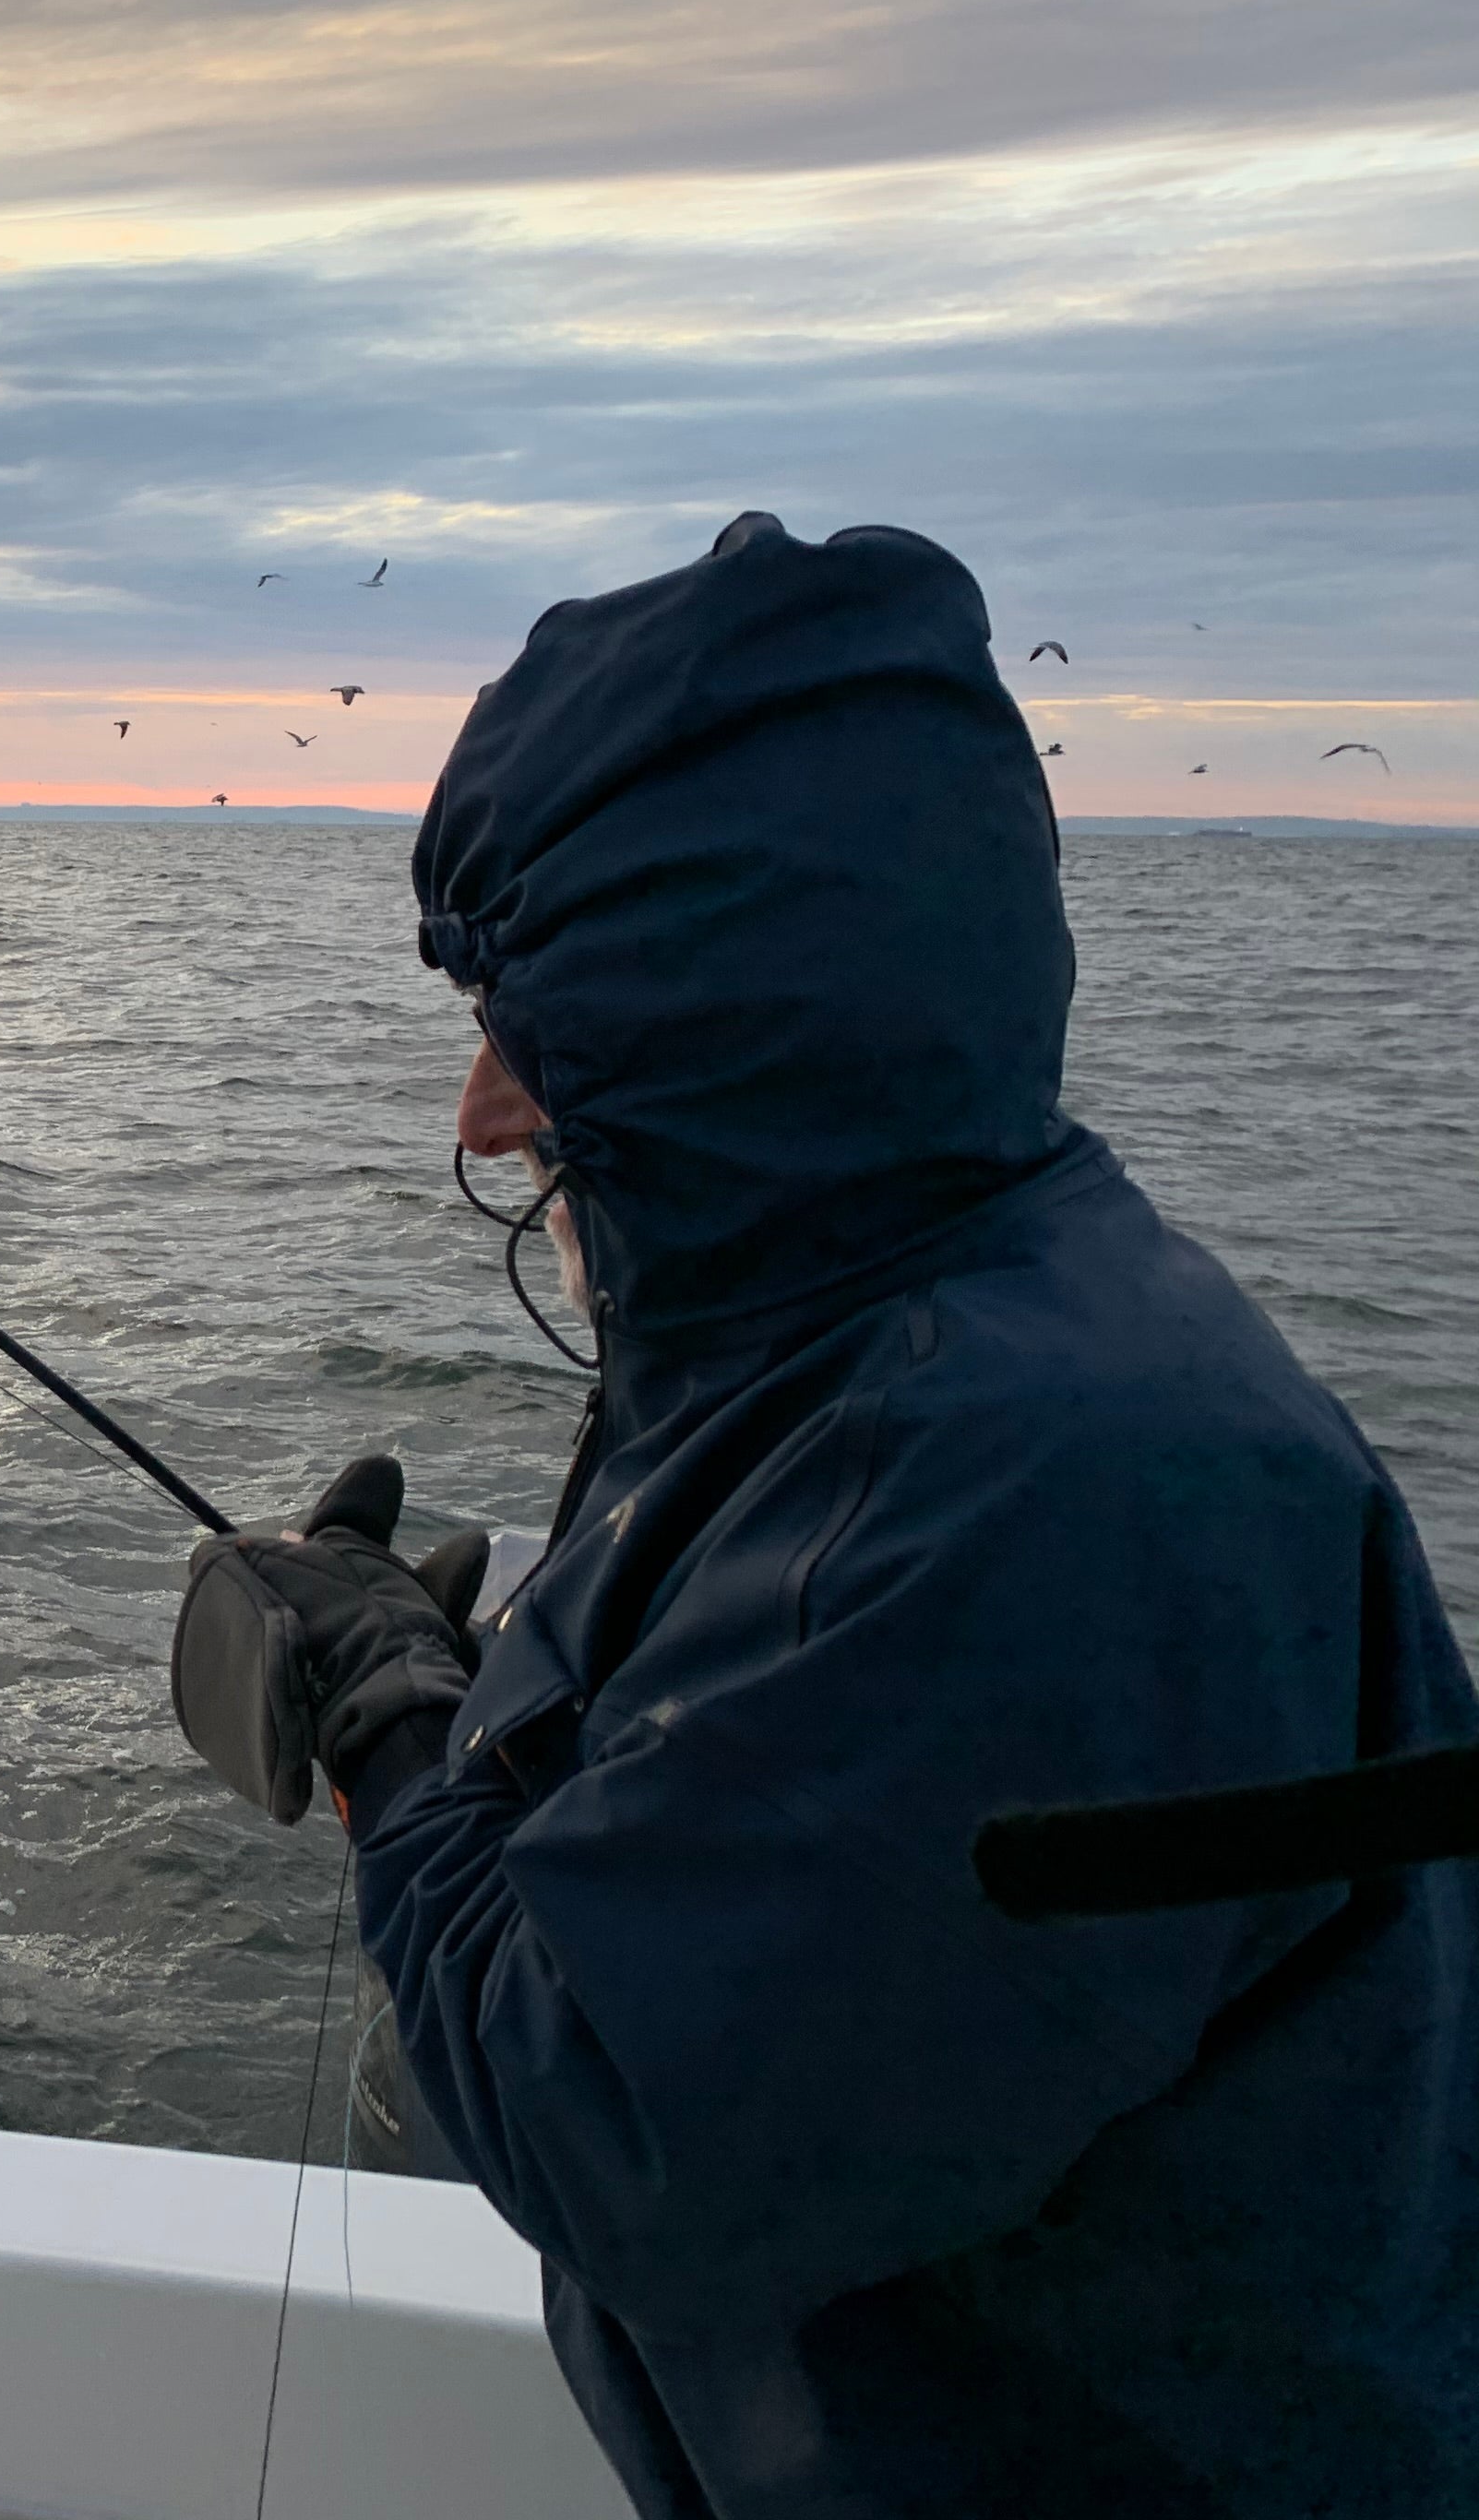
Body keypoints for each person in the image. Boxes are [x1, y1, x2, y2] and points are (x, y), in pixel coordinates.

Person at [171, 513, 1479, 2514]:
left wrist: (391, 1719)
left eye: (544, 1023)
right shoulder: (919, 1338)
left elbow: (617, 2123)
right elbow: (816, 1817)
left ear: (738, 1019)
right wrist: (500, 1673)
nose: (482, 1113)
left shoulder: (1035, 1488)